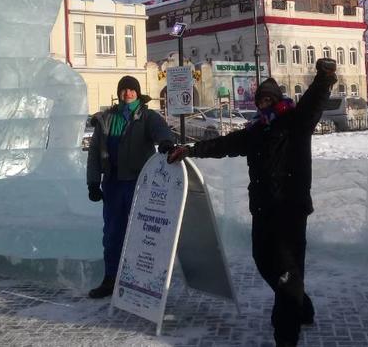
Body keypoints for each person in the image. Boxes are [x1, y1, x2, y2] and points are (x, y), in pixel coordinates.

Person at [168, 58, 337, 347]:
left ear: (278, 100)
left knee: (287, 271)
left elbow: (313, 102)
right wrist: (190, 150)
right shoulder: (256, 131)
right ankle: (301, 307)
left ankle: (286, 335)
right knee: (263, 261)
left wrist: (325, 77)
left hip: (290, 210)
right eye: (260, 101)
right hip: (263, 209)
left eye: (269, 99)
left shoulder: (295, 122)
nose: (263, 104)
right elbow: (223, 145)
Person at [86, 75, 175, 298]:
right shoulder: (106, 118)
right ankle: (111, 278)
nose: (128, 93)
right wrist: (93, 182)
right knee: (112, 233)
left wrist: (166, 142)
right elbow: (94, 153)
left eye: (132, 89)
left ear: (138, 92)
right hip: (113, 184)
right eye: (124, 90)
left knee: (142, 232)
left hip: (139, 183)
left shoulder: (146, 116)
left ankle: (142, 279)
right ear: (119, 93)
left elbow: (160, 130)